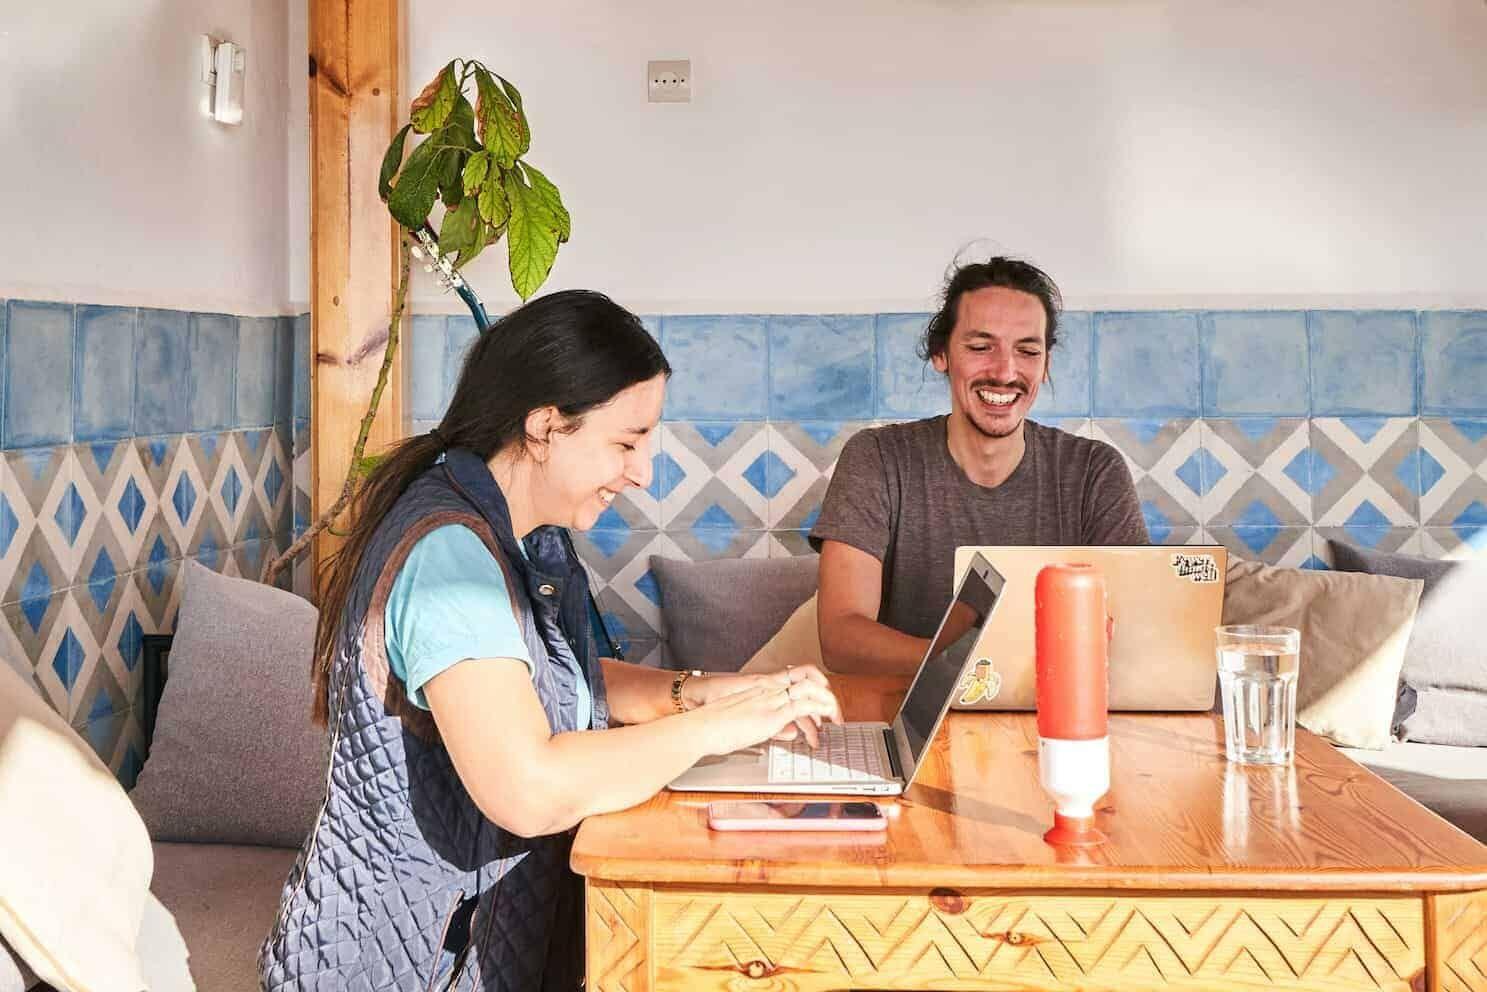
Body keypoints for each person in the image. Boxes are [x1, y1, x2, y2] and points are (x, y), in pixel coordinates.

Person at [259, 290, 841, 989]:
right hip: (407, 969)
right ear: (543, 428)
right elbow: (528, 790)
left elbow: (542, 679)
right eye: (625, 443)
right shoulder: (450, 558)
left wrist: (704, 691)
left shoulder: (510, 527)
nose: (641, 471)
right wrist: (721, 727)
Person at [810, 257, 1148, 676]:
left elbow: (1133, 631)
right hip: (906, 720)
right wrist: (967, 669)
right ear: (941, 354)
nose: (1006, 372)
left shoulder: (1095, 471)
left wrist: (984, 666)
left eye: (1027, 350)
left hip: (1059, 715)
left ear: (1045, 365)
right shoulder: (877, 457)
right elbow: (841, 637)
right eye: (980, 347)